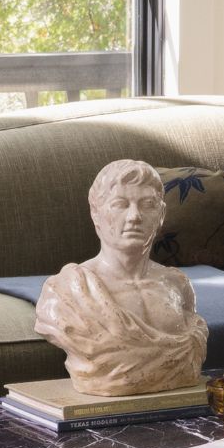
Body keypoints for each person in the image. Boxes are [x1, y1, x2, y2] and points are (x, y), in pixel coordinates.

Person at [37, 159, 209, 395]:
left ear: (161, 215)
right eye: (120, 204)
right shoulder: (65, 291)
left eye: (147, 204)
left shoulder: (176, 285)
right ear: (96, 213)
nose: (135, 216)